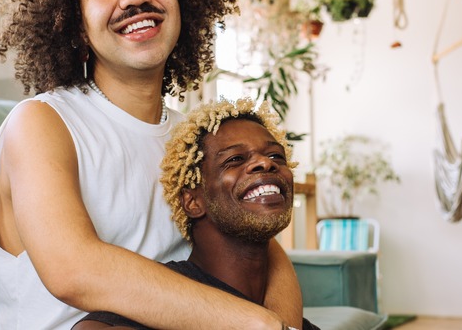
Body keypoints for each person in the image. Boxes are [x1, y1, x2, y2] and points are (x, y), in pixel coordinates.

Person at [0, 0, 303, 328]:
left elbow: (266, 251)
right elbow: (74, 271)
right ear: (75, 24)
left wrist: (281, 324)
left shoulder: (193, 141)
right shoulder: (42, 123)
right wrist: (256, 324)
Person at [73, 98, 320, 330]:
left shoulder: (287, 319)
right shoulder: (151, 303)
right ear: (192, 202)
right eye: (235, 159)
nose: (266, 163)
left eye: (276, 155)